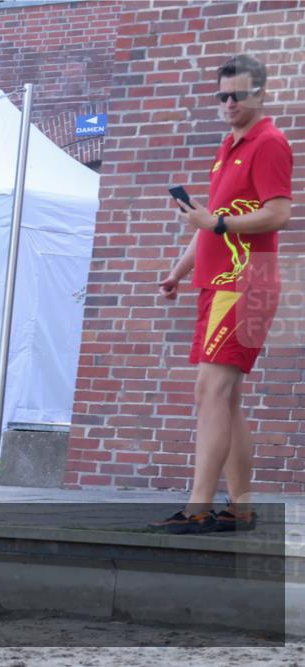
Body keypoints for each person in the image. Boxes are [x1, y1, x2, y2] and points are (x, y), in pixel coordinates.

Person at [152, 54, 293, 534]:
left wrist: (216, 222)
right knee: (225, 398)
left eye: (239, 94)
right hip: (220, 284)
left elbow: (278, 215)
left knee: (210, 391)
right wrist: (177, 270)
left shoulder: (269, 142)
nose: (229, 103)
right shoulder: (228, 144)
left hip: (245, 283)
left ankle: (199, 507)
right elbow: (209, 218)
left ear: (261, 93)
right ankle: (240, 508)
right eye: (223, 96)